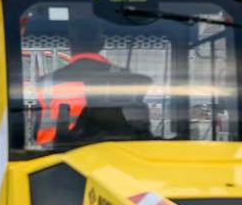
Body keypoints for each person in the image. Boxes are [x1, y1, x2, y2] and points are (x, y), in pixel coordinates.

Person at [29, 15, 151, 148]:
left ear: (69, 43)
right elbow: (138, 127)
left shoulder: (45, 82)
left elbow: (37, 133)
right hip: (114, 157)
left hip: (55, 159)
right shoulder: (125, 79)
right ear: (101, 44)